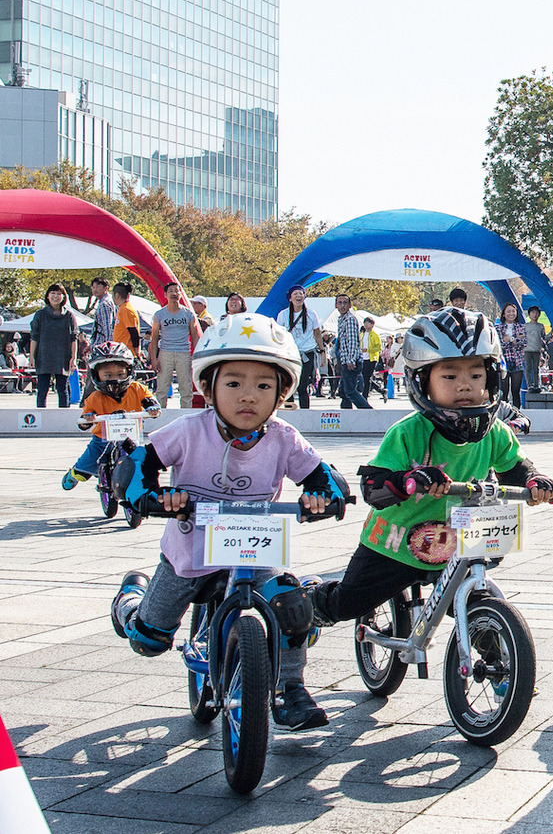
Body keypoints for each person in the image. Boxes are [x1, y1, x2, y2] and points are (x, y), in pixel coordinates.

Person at [109, 313, 351, 729]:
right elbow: (135, 467)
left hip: (254, 552)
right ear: (207, 386)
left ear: (280, 393)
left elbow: (325, 477)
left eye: (263, 386)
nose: (248, 397)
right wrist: (153, 496)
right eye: (234, 383)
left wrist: (321, 498)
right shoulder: (188, 430)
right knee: (149, 640)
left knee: (290, 605)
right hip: (190, 555)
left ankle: (290, 690)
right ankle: (130, 603)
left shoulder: (283, 437)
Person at [307, 307, 553, 631]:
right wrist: (410, 479)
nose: (465, 386)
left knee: (473, 607)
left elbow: (514, 467)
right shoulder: (408, 432)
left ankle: (496, 651)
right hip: (394, 544)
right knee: (349, 604)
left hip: (456, 544)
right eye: (450, 376)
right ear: (422, 381)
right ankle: (311, 601)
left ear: (492, 378)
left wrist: (534, 480)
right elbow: (373, 486)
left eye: (476, 375)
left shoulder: (495, 431)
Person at [61, 342, 161, 489]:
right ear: (97, 375)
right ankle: (74, 473)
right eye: (108, 375)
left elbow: (151, 402)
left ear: (129, 371)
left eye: (120, 374)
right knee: (86, 465)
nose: (114, 379)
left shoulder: (137, 389)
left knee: (143, 462)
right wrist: (88, 419)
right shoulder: (95, 398)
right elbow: (83, 421)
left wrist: (152, 408)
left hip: (130, 437)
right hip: (102, 439)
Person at [149, 282, 201, 409]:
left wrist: (197, 355)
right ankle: (160, 415)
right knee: (162, 388)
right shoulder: (159, 314)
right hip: (165, 352)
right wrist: (154, 359)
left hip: (184, 352)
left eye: (176, 291)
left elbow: (195, 335)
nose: (174, 293)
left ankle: (186, 414)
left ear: (180, 294)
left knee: (186, 389)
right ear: (165, 295)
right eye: (171, 291)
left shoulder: (188, 314)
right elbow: (154, 338)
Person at [30, 283, 79, 408]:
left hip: (63, 358)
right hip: (43, 357)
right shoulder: (40, 315)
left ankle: (64, 418)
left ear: (63, 296)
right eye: (53, 293)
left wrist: (73, 358)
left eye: (59, 293)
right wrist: (31, 356)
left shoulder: (69, 316)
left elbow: (74, 338)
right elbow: (34, 337)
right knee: (42, 390)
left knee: (63, 390)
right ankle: (41, 420)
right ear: (47, 296)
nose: (55, 296)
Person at [276, 285, 323, 409]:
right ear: (290, 298)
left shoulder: (312, 314)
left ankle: (305, 413)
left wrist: (322, 351)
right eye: (295, 294)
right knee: (289, 385)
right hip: (289, 353)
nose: (298, 296)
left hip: (307, 353)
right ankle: (289, 411)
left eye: (301, 294)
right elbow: (279, 333)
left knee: (303, 386)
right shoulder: (283, 315)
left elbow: (317, 333)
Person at [334, 294, 371, 409]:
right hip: (345, 359)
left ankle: (368, 412)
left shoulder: (350, 319)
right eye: (340, 303)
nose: (342, 305)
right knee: (344, 392)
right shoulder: (341, 319)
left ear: (349, 305)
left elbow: (353, 341)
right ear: (336, 305)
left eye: (345, 303)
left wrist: (351, 360)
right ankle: (346, 414)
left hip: (351, 360)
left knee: (350, 391)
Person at [87, 277, 117, 400]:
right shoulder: (105, 303)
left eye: (97, 287)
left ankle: (87, 404)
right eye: (93, 287)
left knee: (93, 379)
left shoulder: (105, 304)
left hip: (102, 349)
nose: (94, 290)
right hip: (99, 346)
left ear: (106, 288)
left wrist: (107, 348)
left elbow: (107, 328)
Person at [497, 303, 526, 404]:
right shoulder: (499, 328)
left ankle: (517, 413)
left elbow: (523, 343)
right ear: (504, 314)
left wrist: (510, 339)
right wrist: (515, 340)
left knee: (516, 391)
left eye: (513, 311)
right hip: (503, 362)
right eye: (508, 311)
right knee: (503, 392)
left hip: (517, 362)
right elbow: (501, 345)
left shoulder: (521, 327)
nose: (511, 314)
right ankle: (504, 414)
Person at [112, 282, 142, 359]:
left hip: (126, 352)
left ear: (117, 295)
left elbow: (133, 332)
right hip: (120, 350)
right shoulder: (121, 308)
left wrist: (136, 350)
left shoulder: (126, 309)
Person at [524, 305, 545, 394]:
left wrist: (551, 333)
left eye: (537, 313)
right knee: (528, 368)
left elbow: (543, 337)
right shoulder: (525, 326)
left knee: (536, 368)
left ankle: (536, 385)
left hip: (537, 349)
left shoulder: (541, 326)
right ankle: (530, 385)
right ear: (529, 315)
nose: (535, 315)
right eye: (533, 313)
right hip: (527, 349)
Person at [360, 317, 382, 400]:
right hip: (363, 358)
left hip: (371, 358)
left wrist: (368, 350)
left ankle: (365, 394)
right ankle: (380, 390)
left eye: (368, 323)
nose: (366, 324)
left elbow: (379, 348)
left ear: (372, 324)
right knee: (364, 377)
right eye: (365, 322)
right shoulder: (362, 334)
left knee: (367, 377)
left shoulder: (375, 335)